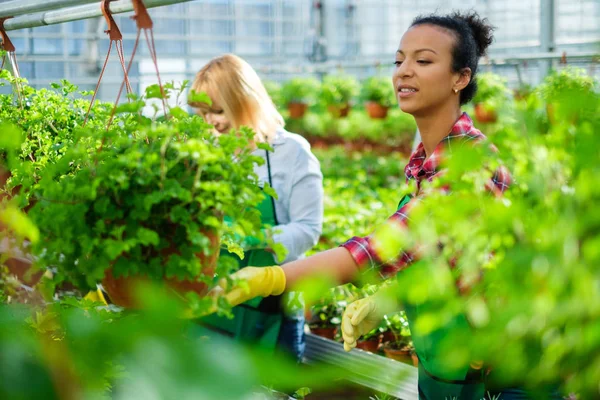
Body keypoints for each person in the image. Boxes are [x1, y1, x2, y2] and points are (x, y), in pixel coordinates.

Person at [205, 12, 566, 400]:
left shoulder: (467, 165)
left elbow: (382, 248)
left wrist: (268, 277)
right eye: (399, 61)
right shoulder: (426, 161)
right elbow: (444, 255)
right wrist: (388, 299)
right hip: (454, 372)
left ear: (460, 78)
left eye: (423, 61)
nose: (403, 72)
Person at [188, 54, 324, 362]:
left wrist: (255, 237)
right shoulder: (206, 152)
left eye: (218, 110)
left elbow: (308, 229)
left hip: (270, 309)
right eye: (204, 113)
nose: (211, 121)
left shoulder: (291, 152)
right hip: (213, 304)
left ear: (245, 101)